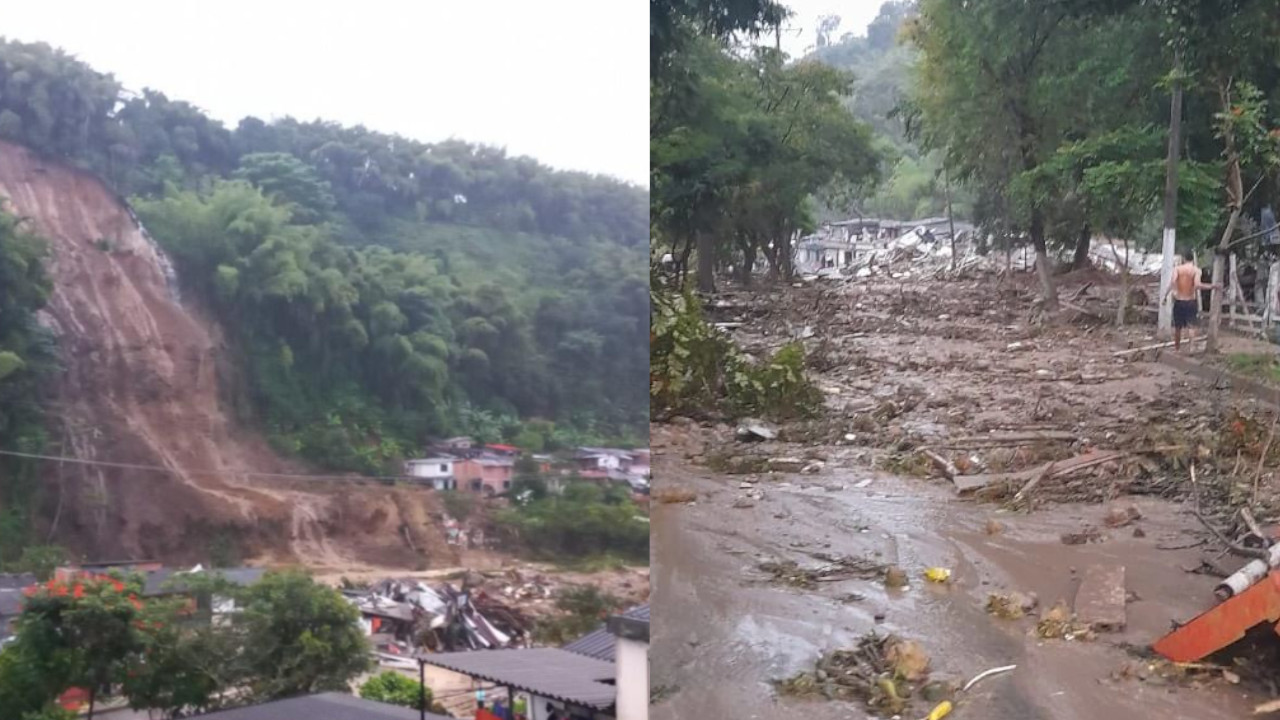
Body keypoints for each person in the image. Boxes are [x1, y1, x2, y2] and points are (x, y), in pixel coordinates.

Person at [1164, 250, 1218, 351]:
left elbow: (1172, 283)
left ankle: (1177, 349)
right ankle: (1192, 347)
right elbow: (1197, 285)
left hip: (1179, 301)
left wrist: (1165, 296)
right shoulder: (1196, 270)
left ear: (1184, 259)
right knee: (1191, 325)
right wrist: (1212, 286)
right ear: (1192, 259)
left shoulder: (1177, 269)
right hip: (1190, 301)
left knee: (1177, 327)